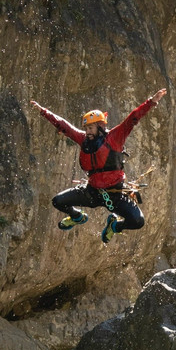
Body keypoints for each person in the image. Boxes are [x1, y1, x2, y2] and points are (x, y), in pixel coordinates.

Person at [30, 88, 168, 244]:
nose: (87, 132)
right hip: (92, 193)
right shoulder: (84, 140)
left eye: (90, 128)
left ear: (101, 126)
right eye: (86, 128)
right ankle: (77, 217)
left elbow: (133, 118)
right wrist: (44, 112)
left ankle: (114, 226)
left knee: (138, 221)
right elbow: (64, 126)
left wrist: (152, 102)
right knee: (58, 201)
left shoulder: (115, 138)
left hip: (115, 195)